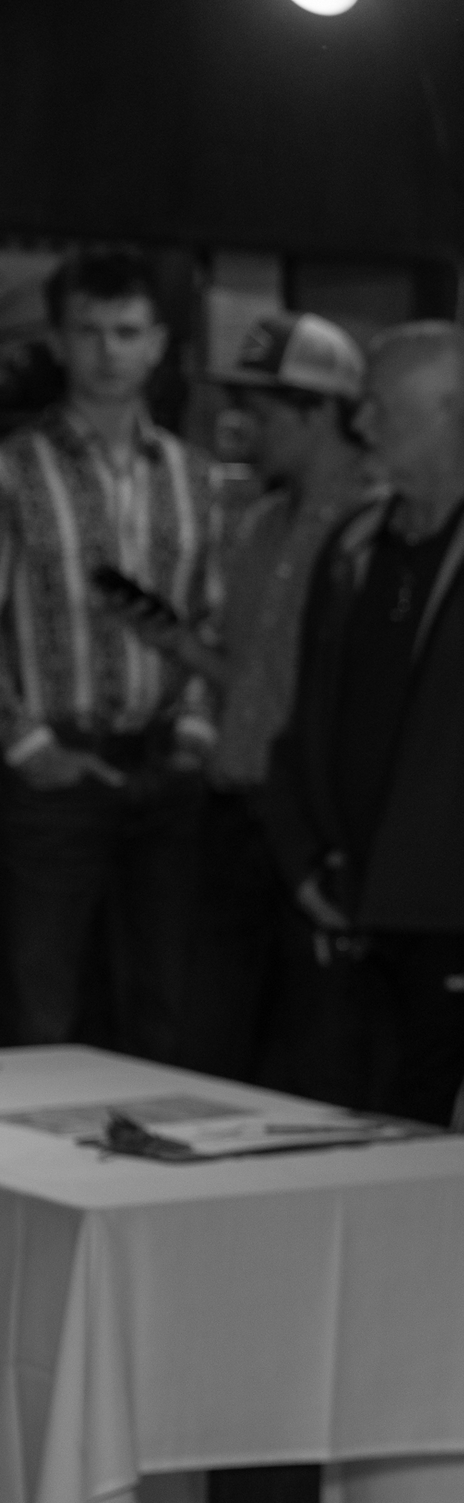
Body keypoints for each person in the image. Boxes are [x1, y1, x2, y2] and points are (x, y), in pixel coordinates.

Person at [263, 323, 464, 1123]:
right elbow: (304, 716)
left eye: (379, 405)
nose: (360, 424)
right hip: (346, 901)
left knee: (436, 1135)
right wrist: (302, 856)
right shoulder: (356, 543)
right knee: (333, 1124)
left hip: (458, 914)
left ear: (451, 411)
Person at [128, 311, 374, 1084]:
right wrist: (181, 647)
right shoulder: (263, 522)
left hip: (312, 818)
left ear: (320, 412)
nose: (242, 430)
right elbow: (252, 674)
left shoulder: (375, 524)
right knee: (213, 1044)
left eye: (262, 414)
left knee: (314, 1049)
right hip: (236, 805)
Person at [0, 249, 220, 1055]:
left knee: (165, 1007)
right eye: (88, 332)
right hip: (55, 763)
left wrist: (194, 733)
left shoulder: (192, 476)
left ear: (158, 344)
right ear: (58, 342)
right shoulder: (15, 470)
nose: (107, 352)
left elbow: (211, 617)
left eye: (127, 332)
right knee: (42, 1010)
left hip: (163, 764)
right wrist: (27, 745)